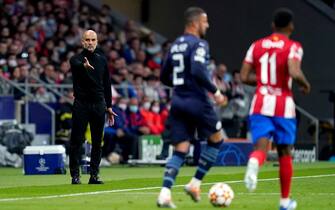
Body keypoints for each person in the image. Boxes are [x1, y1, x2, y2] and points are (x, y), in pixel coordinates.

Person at [240, 8, 311, 210]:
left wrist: (263, 81)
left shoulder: (256, 45)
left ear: (273, 25)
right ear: (291, 26)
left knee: (260, 148)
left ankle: (254, 163)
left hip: (260, 102)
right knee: (284, 151)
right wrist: (305, 83)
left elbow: (244, 77)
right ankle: (284, 202)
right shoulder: (293, 46)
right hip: (283, 104)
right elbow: (294, 71)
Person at [157, 7, 227, 208]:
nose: (208, 25)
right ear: (195, 23)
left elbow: (163, 76)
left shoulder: (175, 45)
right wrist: (216, 92)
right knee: (216, 139)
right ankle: (195, 183)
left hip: (178, 101)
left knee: (181, 148)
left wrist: (180, 85)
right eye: (205, 22)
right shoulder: (199, 44)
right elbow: (197, 70)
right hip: (197, 100)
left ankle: (165, 193)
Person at [69, 30, 116, 185]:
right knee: (77, 140)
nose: (90, 42)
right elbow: (75, 65)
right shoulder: (76, 59)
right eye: (87, 40)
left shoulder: (102, 59)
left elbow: (107, 83)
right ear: (82, 42)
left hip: (98, 104)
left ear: (97, 41)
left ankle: (94, 175)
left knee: (97, 141)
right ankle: (75, 175)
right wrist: (84, 66)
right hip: (81, 104)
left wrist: (109, 106)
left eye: (93, 39)